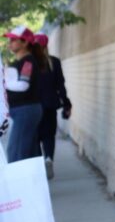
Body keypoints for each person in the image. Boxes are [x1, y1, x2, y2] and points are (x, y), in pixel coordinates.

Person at [3, 26, 44, 163]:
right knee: (28, 154)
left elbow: (23, 85)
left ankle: (18, 184)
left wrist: (3, 82)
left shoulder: (28, 62)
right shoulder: (23, 62)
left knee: (16, 153)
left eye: (13, 40)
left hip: (25, 111)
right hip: (24, 111)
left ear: (25, 42)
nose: (10, 43)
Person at [33, 33, 72, 179]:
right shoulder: (54, 62)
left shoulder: (29, 63)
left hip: (34, 107)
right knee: (49, 136)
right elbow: (60, 86)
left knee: (35, 138)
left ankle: (38, 167)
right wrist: (66, 103)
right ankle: (48, 159)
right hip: (50, 105)